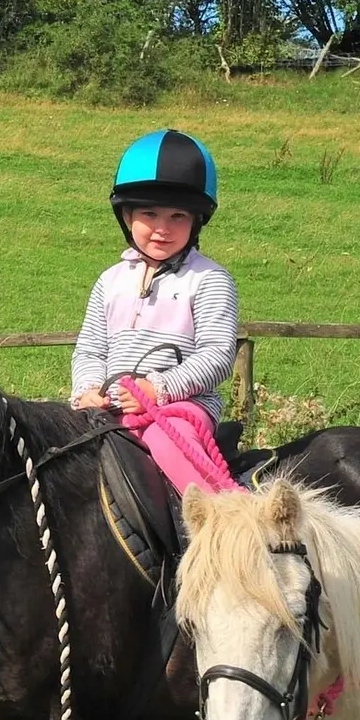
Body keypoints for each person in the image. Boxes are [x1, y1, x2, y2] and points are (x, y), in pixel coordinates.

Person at [70, 129, 241, 493]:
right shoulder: (110, 281)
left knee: (167, 442)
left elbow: (216, 355)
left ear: (196, 221)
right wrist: (87, 390)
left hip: (181, 409)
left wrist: (158, 388)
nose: (163, 229)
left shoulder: (209, 280)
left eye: (178, 216)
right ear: (127, 215)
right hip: (111, 411)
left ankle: (223, 517)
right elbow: (90, 350)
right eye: (149, 213)